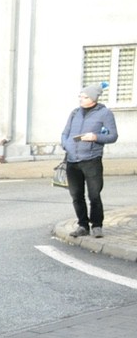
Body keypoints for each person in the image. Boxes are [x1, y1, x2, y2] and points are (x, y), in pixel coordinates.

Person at [60, 82, 118, 238]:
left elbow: (113, 136)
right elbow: (65, 133)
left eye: (84, 97)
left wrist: (95, 137)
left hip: (92, 160)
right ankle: (83, 225)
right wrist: (66, 145)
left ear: (93, 98)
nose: (81, 99)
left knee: (94, 195)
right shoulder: (75, 113)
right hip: (72, 161)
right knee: (76, 195)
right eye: (80, 96)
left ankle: (97, 226)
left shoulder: (105, 113)